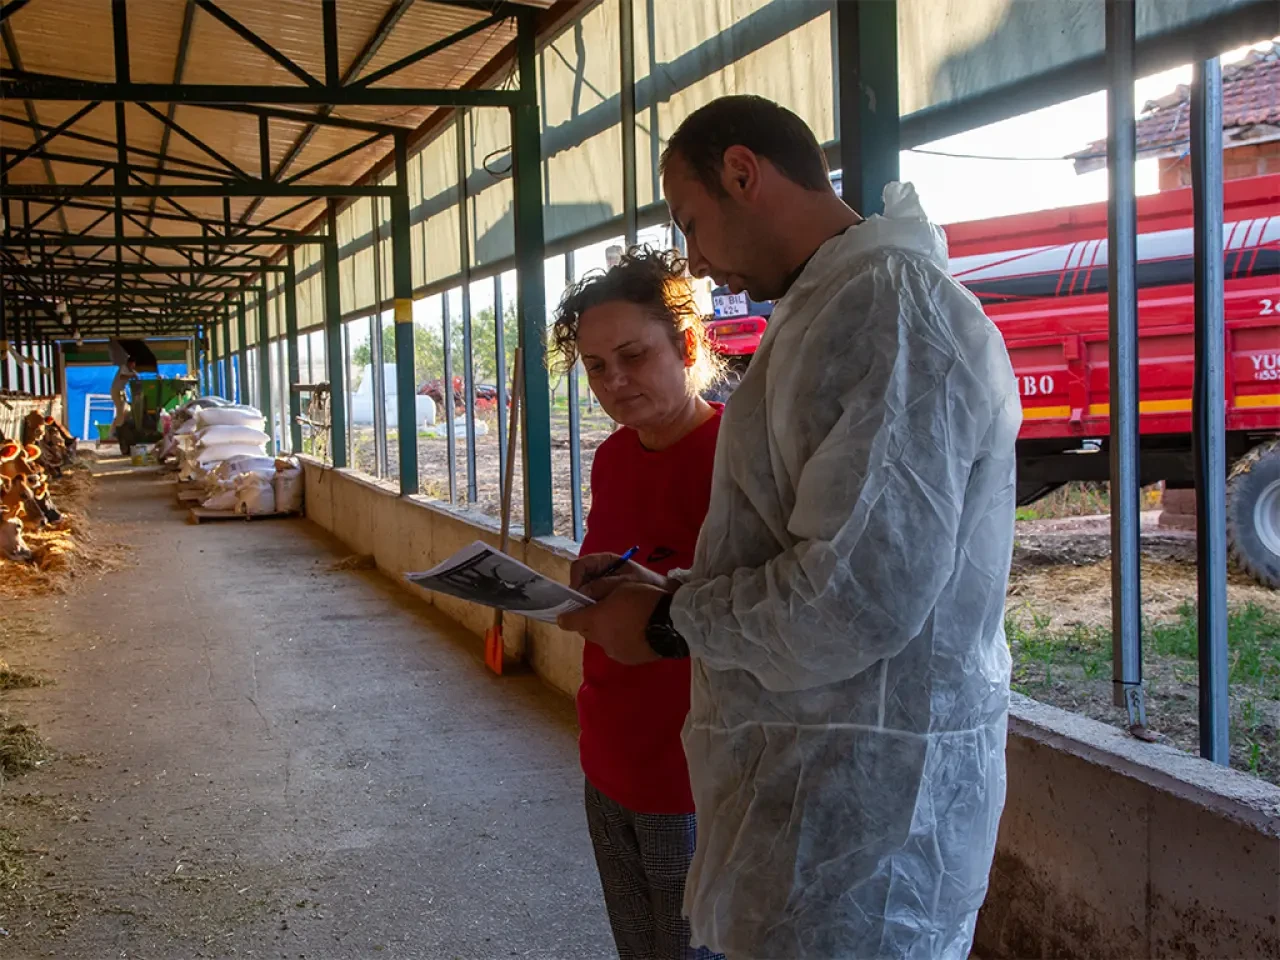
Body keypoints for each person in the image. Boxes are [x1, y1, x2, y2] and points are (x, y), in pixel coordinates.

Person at [558, 95, 1022, 959]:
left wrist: (667, 622)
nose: (694, 260)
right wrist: (677, 592)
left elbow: (854, 597)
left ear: (744, 173)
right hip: (812, 793)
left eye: (693, 224)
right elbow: (801, 550)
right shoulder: (827, 314)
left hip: (867, 821)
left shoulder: (890, 316)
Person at [551, 248, 726, 960]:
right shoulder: (614, 457)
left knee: (693, 948)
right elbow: (623, 558)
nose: (614, 381)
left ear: (685, 344)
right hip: (608, 748)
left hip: (691, 769)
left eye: (632, 355)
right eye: (595, 366)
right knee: (639, 945)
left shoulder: (738, 458)